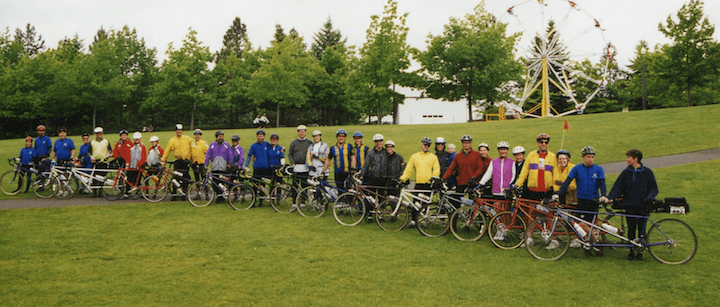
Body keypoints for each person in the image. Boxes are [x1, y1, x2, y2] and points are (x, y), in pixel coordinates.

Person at [554, 146, 607, 257]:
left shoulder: (598, 169)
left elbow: (602, 184)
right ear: (583, 157)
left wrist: (604, 195)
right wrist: (558, 194)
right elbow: (566, 183)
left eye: (592, 157)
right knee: (582, 224)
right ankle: (595, 244)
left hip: (593, 201)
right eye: (588, 157)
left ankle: (591, 245)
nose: (590, 159)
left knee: (591, 225)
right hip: (582, 201)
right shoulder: (577, 169)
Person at [607, 149, 658, 261]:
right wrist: (609, 197)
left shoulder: (647, 172)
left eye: (629, 157)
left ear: (636, 158)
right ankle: (631, 250)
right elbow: (618, 186)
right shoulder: (626, 173)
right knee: (631, 227)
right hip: (630, 204)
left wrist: (650, 198)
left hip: (643, 205)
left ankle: (640, 251)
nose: (627, 160)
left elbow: (653, 188)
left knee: (641, 228)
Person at [515, 133, 557, 201]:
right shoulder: (531, 155)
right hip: (533, 191)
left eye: (546, 142)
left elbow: (555, 174)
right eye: (541, 142)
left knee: (546, 211)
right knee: (532, 211)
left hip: (547, 191)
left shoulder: (553, 157)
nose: (544, 144)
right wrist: (518, 185)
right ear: (538, 143)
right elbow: (524, 172)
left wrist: (556, 190)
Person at [161, 123, 193, 199]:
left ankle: (184, 193)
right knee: (175, 177)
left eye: (180, 130)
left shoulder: (187, 138)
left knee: (185, 177)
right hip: (177, 161)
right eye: (178, 130)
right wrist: (163, 159)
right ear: (175, 131)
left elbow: (195, 144)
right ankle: (174, 193)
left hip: (185, 161)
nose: (179, 132)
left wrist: (203, 143)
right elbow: (167, 150)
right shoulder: (172, 140)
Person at [205, 130, 233, 200]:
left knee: (222, 182)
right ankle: (219, 195)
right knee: (215, 183)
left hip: (223, 167)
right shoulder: (212, 145)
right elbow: (208, 154)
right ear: (216, 137)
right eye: (219, 136)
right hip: (214, 167)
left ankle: (222, 196)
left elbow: (230, 155)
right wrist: (206, 164)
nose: (221, 137)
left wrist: (230, 163)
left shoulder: (226, 145)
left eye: (222, 136)